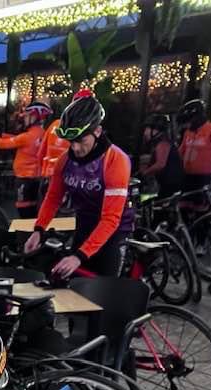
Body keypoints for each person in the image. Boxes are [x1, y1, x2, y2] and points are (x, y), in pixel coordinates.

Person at [25, 92, 133, 278]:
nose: (75, 148)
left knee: (104, 289)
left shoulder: (116, 160)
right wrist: (38, 230)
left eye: (81, 140)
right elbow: (53, 198)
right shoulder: (64, 160)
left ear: (97, 131)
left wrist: (79, 257)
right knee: (72, 284)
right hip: (84, 225)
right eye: (71, 141)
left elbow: (110, 219)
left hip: (113, 232)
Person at [0, 101, 52, 218]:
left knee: (24, 211)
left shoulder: (27, 136)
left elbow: (3, 144)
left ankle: (26, 230)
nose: (24, 119)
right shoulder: (42, 134)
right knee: (33, 211)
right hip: (36, 178)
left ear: (34, 118)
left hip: (24, 179)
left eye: (26, 116)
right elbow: (17, 139)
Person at [176, 99, 211, 204]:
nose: (187, 125)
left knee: (200, 205)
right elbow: (181, 151)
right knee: (184, 204)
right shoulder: (188, 132)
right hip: (187, 175)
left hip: (204, 177)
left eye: (189, 121)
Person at [139, 113, 184, 199]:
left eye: (147, 129)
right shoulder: (159, 143)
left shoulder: (163, 143)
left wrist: (145, 173)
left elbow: (160, 164)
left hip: (170, 185)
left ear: (155, 130)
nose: (145, 133)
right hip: (166, 184)